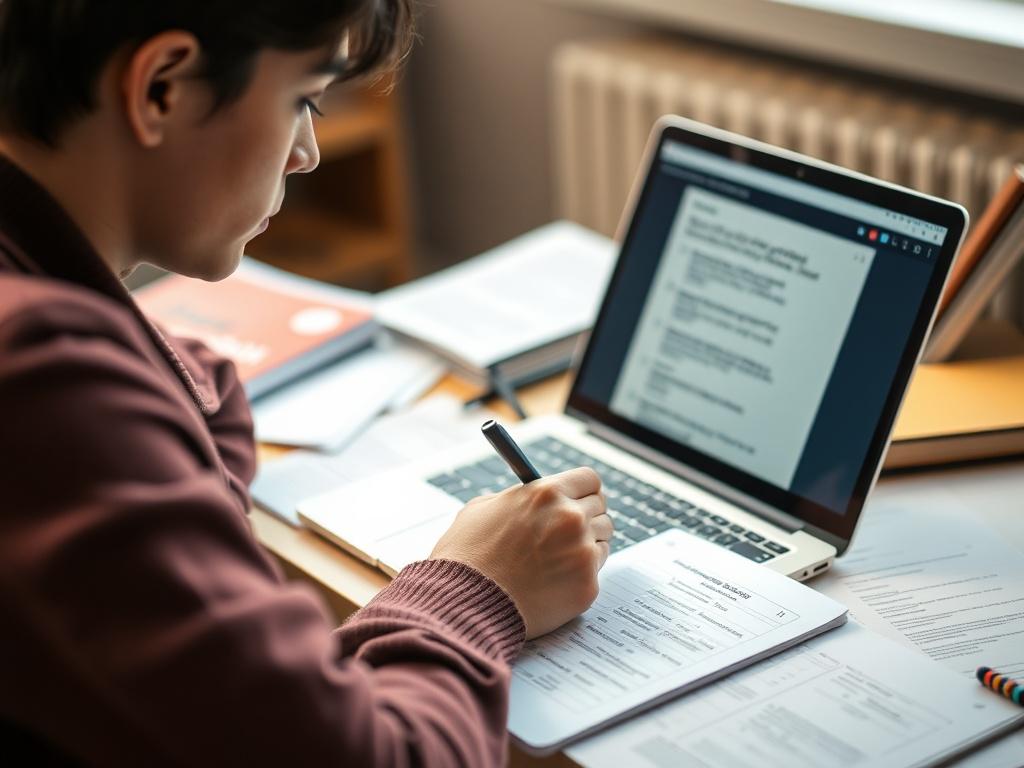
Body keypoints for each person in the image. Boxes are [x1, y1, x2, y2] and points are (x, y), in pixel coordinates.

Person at [0, 2, 611, 765]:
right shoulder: (41, 374)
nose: (308, 154)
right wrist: (480, 584)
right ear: (162, 86)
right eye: (305, 100)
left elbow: (202, 402)